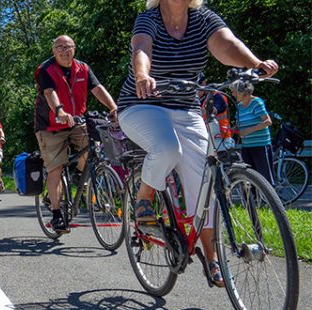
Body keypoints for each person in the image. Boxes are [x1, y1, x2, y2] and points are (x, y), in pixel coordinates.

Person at [116, 0, 278, 287]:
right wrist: (142, 74)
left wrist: (255, 64)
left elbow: (226, 45)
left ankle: (212, 259)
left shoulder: (202, 18)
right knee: (167, 147)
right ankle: (143, 198)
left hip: (187, 108)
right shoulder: (148, 18)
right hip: (142, 104)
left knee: (204, 184)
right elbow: (142, 49)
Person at [34, 35, 118, 234]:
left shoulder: (83, 68)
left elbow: (97, 88)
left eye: (68, 47)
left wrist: (114, 109)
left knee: (90, 148)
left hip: (77, 121)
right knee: (55, 168)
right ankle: (56, 215)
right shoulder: (46, 69)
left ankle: (78, 176)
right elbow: (49, 92)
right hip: (50, 125)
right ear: (53, 51)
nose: (64, 50)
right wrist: (60, 111)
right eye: (59, 47)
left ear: (74, 49)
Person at [233, 80, 274, 184]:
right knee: (250, 179)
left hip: (260, 145)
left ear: (242, 92)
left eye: (234, 92)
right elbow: (238, 125)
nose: (233, 94)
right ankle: (254, 200)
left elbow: (268, 121)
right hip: (247, 146)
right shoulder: (239, 106)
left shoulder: (256, 103)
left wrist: (249, 130)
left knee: (265, 178)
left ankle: (270, 199)